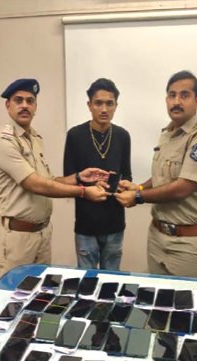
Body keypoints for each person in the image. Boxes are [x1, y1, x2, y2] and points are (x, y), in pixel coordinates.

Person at [0, 78, 109, 276]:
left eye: (30, 101)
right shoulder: (4, 140)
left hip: (43, 232)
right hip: (20, 237)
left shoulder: (34, 138)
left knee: (39, 289)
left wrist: (79, 177)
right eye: (18, 100)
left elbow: (48, 181)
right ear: (8, 105)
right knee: (15, 291)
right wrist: (83, 192)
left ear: (35, 107)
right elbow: (35, 184)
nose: (25, 105)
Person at [115, 70, 197, 278]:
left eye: (184, 95)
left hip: (188, 244)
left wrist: (138, 196)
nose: (176, 102)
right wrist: (140, 187)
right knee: (157, 297)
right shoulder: (167, 134)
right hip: (157, 237)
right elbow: (163, 177)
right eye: (172, 95)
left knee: (187, 299)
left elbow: (183, 187)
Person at [63, 78, 132, 270]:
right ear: (89, 105)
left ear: (116, 106)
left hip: (115, 223)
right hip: (86, 224)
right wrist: (89, 187)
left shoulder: (123, 136)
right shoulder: (75, 135)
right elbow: (67, 181)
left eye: (109, 103)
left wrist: (123, 185)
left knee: (112, 280)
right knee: (87, 281)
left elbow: (127, 175)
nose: (104, 109)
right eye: (98, 103)